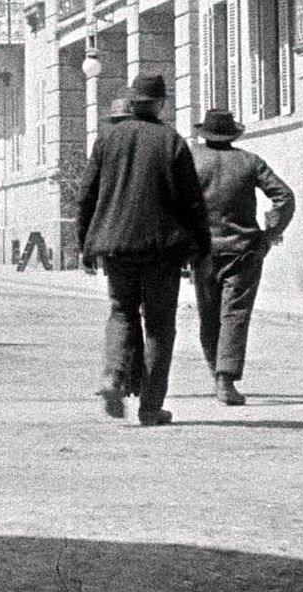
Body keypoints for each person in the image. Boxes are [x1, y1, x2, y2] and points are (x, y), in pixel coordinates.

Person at [76, 74, 210, 427]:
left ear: (133, 102)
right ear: (161, 104)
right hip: (162, 249)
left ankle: (112, 376)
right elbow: (192, 202)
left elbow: (87, 195)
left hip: (116, 246)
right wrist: (201, 248)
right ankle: (151, 406)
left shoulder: (107, 140)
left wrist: (85, 244)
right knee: (160, 327)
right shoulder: (172, 142)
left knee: (121, 312)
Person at [189, 109, 295, 407]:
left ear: (204, 135)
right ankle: (226, 379)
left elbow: (175, 200)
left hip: (204, 250)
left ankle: (217, 373)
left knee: (209, 314)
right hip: (244, 249)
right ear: (232, 134)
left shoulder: (192, 160)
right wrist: (269, 232)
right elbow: (284, 196)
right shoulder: (250, 162)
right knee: (235, 314)